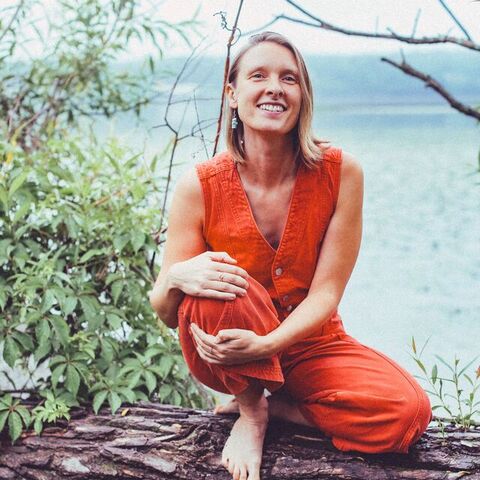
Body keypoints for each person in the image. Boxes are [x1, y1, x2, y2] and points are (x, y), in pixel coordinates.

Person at [149, 31, 432, 480]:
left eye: (289, 78)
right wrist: (176, 277)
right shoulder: (199, 186)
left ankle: (280, 408)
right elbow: (167, 313)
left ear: (303, 96)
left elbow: (326, 294)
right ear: (232, 94)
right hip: (227, 347)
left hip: (311, 343)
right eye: (258, 76)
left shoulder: (341, 173)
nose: (274, 88)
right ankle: (251, 412)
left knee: (407, 413)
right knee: (216, 280)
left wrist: (270, 345)